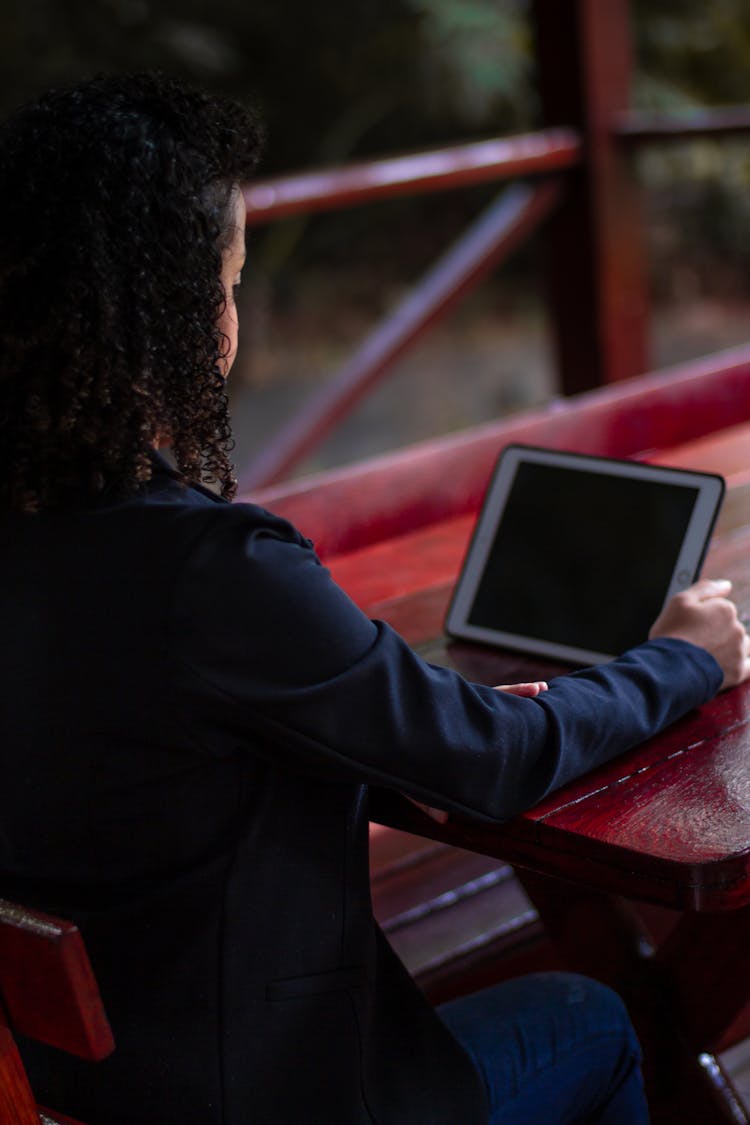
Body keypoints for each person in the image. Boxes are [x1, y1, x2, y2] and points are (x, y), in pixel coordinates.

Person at [0, 73, 747, 1125]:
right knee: (593, 1018)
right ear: (166, 318)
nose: (230, 321)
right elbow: (490, 761)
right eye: (229, 282)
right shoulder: (210, 570)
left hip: (88, 1083)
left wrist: (413, 729)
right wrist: (689, 657)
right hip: (271, 1094)